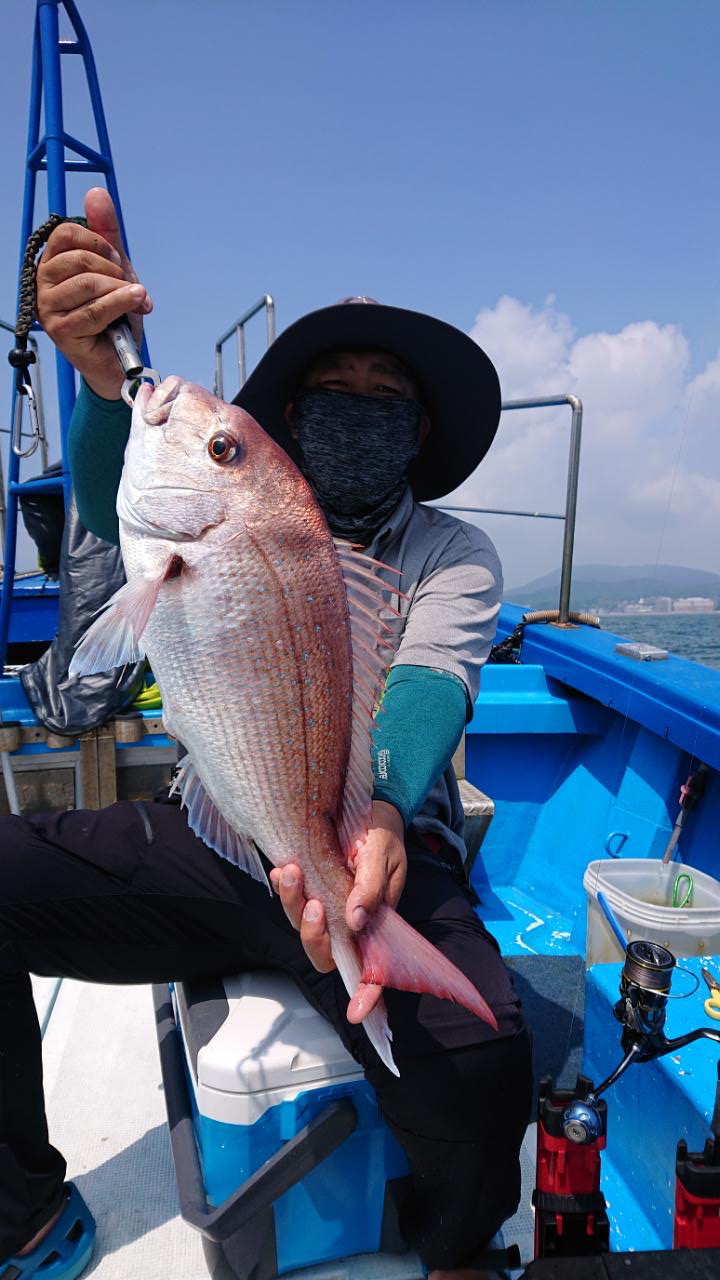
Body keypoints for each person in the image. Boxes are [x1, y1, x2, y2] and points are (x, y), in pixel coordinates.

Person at [0, 188, 532, 1280]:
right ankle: (21, 1207)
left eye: (386, 395)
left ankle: (453, 1246)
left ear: (421, 429)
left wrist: (375, 817)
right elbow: (120, 504)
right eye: (333, 388)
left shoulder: (455, 550)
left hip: (379, 851)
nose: (358, 405)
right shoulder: (230, 505)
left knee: (493, 1069)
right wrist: (105, 382)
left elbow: (429, 685)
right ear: (287, 416)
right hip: (213, 830)